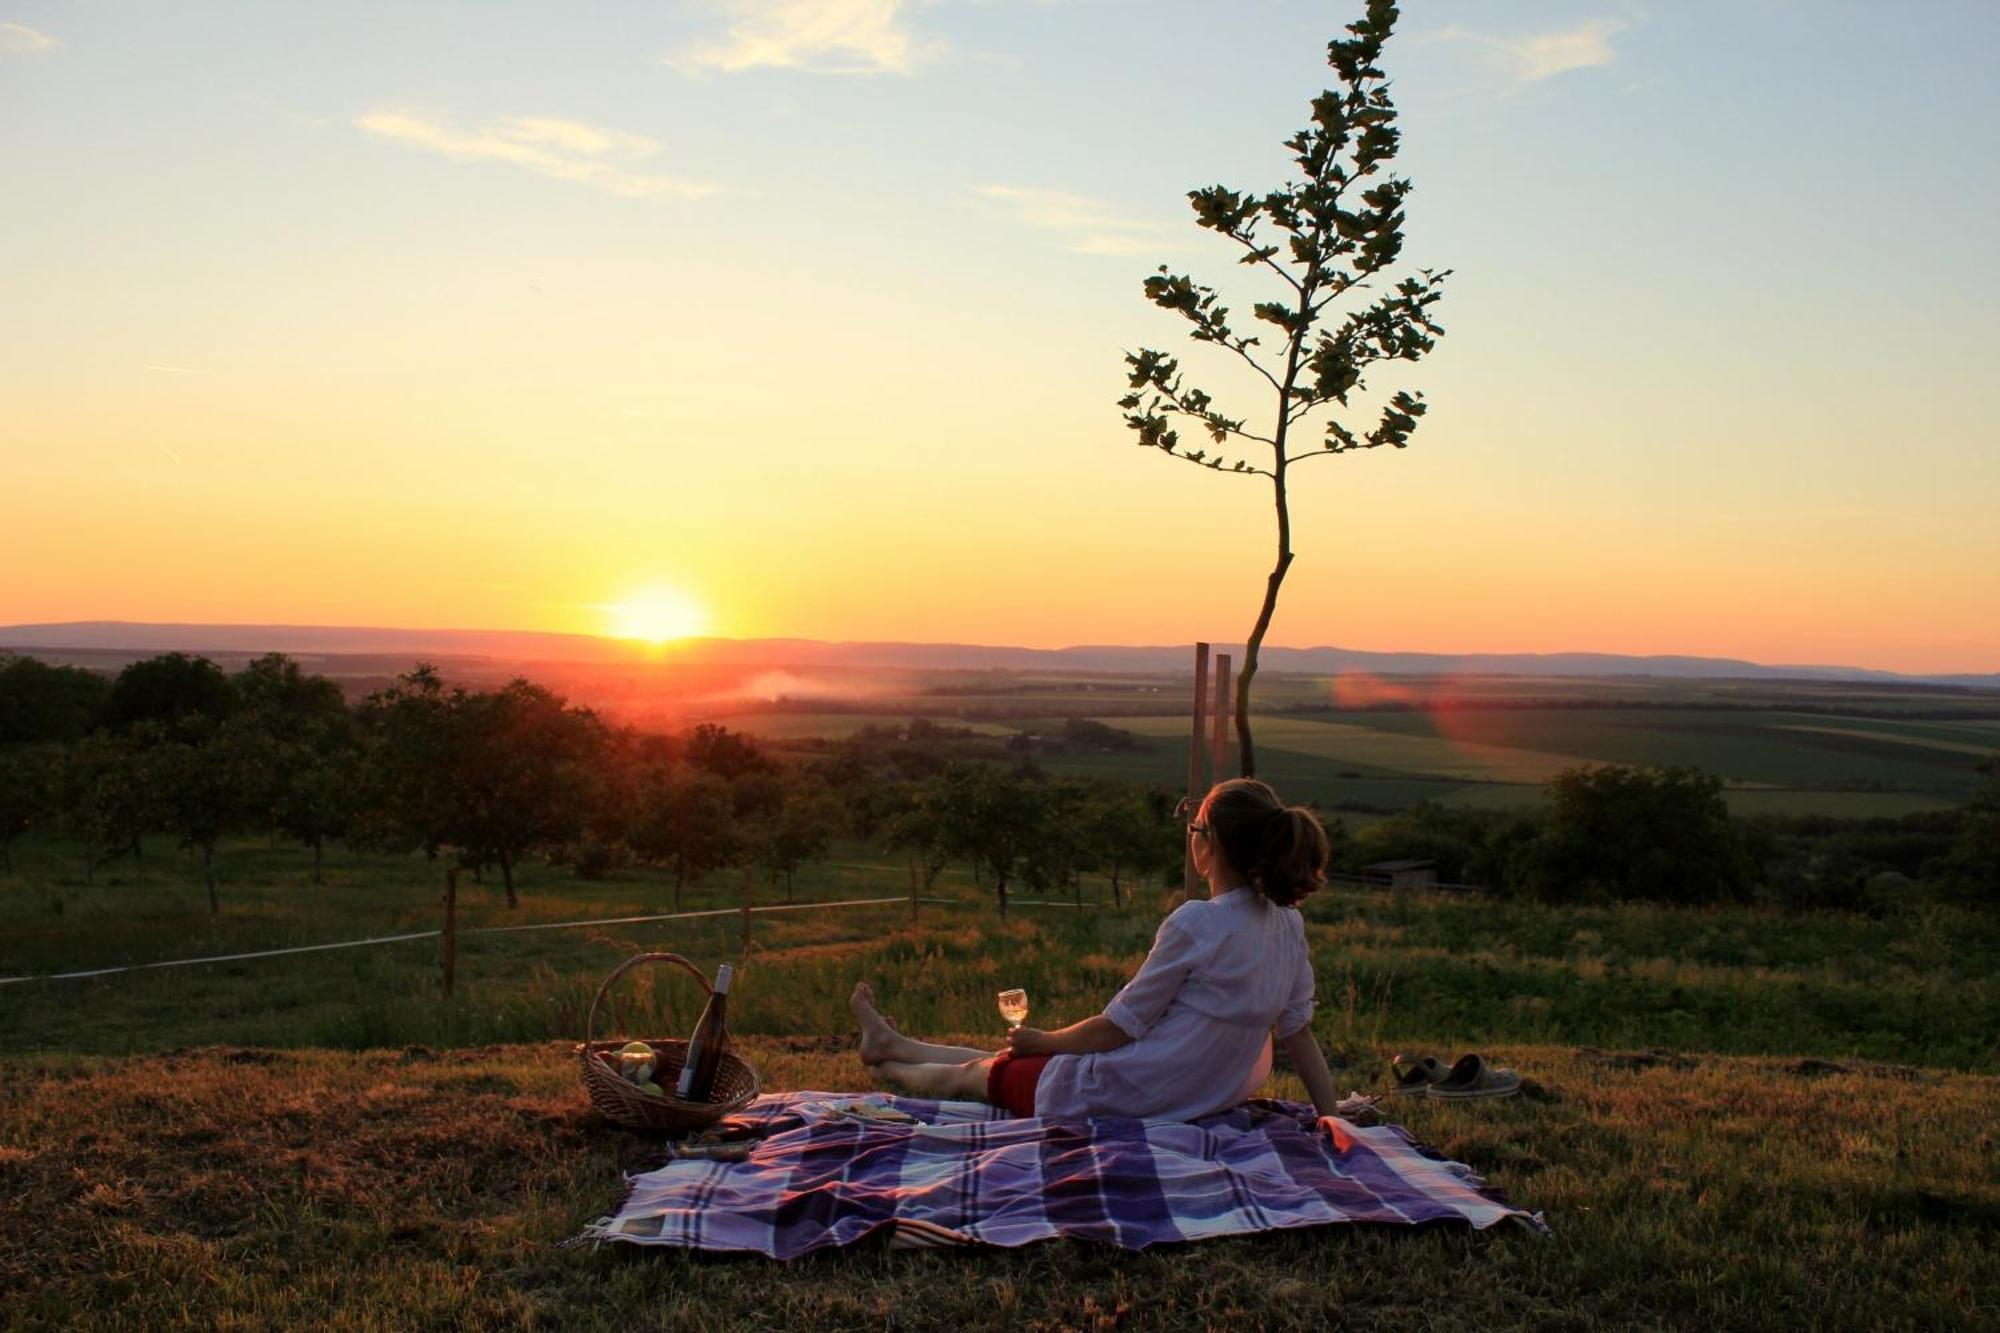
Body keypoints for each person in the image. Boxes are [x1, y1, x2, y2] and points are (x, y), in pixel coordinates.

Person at [851, 777, 1345, 1120]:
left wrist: (1047, 1040)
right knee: (1008, 1060)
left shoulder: (1200, 923)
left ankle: (888, 1065)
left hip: (1132, 1091)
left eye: (1193, 827)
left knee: (971, 1077)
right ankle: (894, 1045)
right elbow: (1299, 1035)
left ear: (1208, 845)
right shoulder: (1288, 926)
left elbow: (1116, 1028)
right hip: (1203, 1091)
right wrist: (1331, 1117)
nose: (1190, 836)